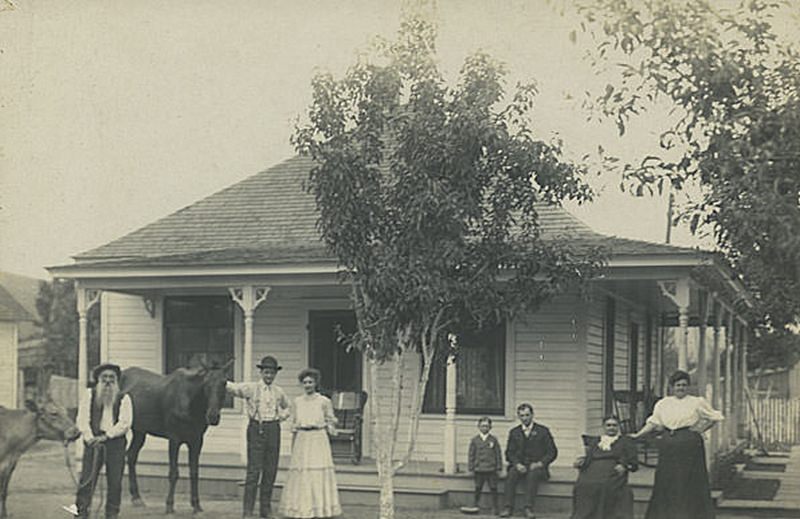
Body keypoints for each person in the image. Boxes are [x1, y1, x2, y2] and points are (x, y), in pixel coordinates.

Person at [630, 370, 723, 519]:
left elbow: (714, 417)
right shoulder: (663, 403)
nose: (681, 388)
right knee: (666, 479)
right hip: (669, 444)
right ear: (672, 387)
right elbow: (653, 423)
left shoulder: (697, 401)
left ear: (688, 386)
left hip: (689, 444)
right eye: (678, 385)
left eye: (684, 385)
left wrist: (699, 429)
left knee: (689, 480)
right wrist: (638, 435)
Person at [64, 363, 133, 519]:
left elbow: (125, 423)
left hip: (115, 444)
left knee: (115, 482)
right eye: (104, 378)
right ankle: (80, 513)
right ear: (98, 380)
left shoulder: (124, 398)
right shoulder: (89, 394)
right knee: (87, 480)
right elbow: (82, 419)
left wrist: (107, 436)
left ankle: (112, 514)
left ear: (116, 381)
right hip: (93, 442)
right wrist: (89, 438)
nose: (108, 381)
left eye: (111, 378)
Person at [227, 355, 291, 519]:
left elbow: (288, 407)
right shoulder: (251, 388)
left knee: (270, 470)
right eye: (266, 372)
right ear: (261, 372)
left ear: (275, 374)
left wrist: (281, 416)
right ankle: (247, 511)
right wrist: (220, 377)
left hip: (273, 429)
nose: (269, 376)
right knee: (254, 471)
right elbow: (232, 388)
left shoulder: (278, 391)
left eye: (272, 373)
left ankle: (265, 510)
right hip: (257, 428)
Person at [278, 368, 342, 519]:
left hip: (318, 438)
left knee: (317, 471)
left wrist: (331, 426)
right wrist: (293, 445)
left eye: (310, 382)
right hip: (302, 438)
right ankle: (302, 509)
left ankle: (319, 509)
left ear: (315, 383)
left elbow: (331, 418)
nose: (307, 385)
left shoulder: (324, 401)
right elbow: (293, 422)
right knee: (302, 472)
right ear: (302, 384)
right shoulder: (297, 402)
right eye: (305, 382)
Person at [571, 415, 638, 519]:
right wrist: (580, 462)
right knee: (583, 485)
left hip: (613, 470)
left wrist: (624, 466)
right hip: (592, 470)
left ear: (618, 426)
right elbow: (588, 458)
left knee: (604, 486)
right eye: (608, 425)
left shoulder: (625, 441)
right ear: (603, 427)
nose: (611, 428)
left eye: (614, 425)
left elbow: (634, 462)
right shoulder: (596, 441)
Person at [500, 403, 558, 519]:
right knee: (511, 474)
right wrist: (517, 464)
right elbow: (509, 453)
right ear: (519, 417)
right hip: (521, 465)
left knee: (532, 475)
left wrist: (540, 463)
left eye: (527, 415)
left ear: (532, 415)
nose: (525, 418)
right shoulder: (514, 432)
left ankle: (528, 508)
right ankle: (508, 507)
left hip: (537, 466)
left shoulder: (543, 431)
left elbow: (552, 452)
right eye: (522, 416)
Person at [464, 416, 503, 515]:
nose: (484, 428)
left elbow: (498, 454)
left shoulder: (493, 440)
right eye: (482, 426)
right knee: (478, 487)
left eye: (487, 426)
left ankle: (495, 507)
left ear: (490, 427)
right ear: (478, 427)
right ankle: (475, 506)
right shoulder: (475, 440)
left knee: (493, 488)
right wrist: (471, 467)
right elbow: (471, 454)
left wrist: (499, 467)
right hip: (479, 469)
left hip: (491, 469)